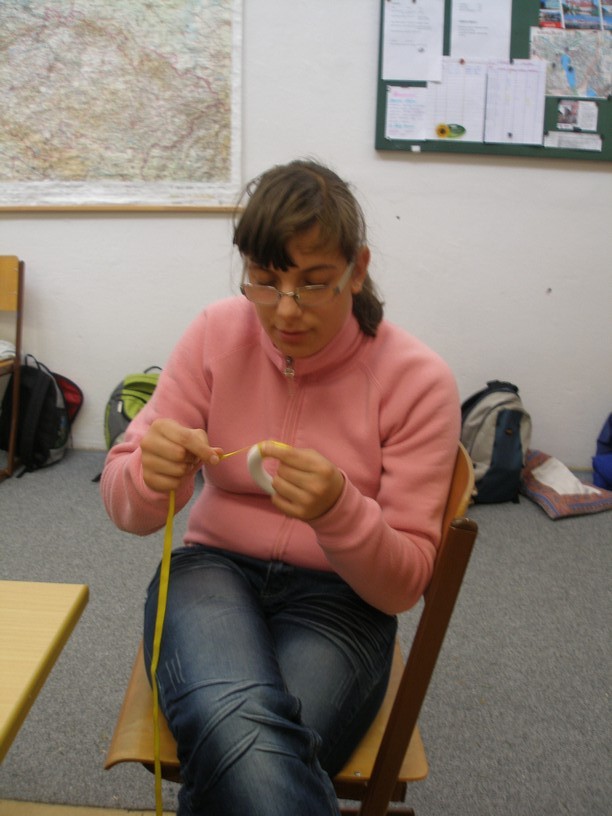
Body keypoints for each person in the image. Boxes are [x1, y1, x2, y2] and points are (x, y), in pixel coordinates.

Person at [101, 158, 460, 816]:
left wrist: (340, 510)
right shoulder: (215, 333)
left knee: (242, 745)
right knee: (255, 745)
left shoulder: (418, 381)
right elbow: (125, 502)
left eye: (314, 283)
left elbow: (403, 584)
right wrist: (150, 477)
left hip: (344, 599)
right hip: (211, 572)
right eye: (264, 283)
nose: (286, 311)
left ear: (357, 269)